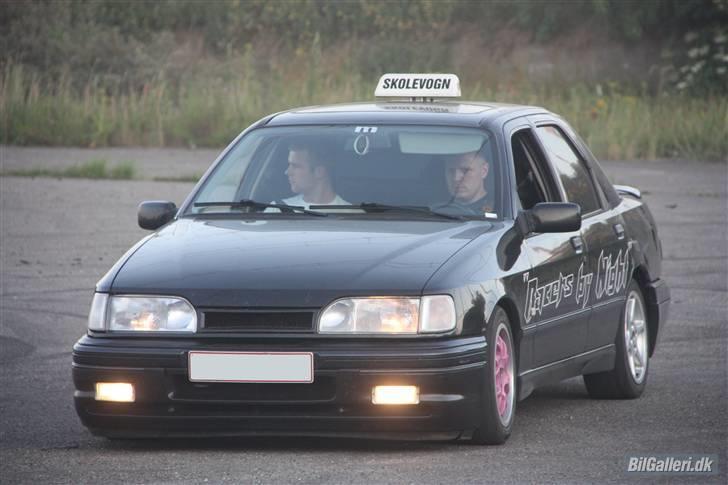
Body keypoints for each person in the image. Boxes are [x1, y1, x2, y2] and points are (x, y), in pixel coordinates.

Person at [277, 141, 349, 209]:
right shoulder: (278, 209)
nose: (287, 172)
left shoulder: (351, 215)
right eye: (289, 165)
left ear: (319, 172)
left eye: (295, 166)